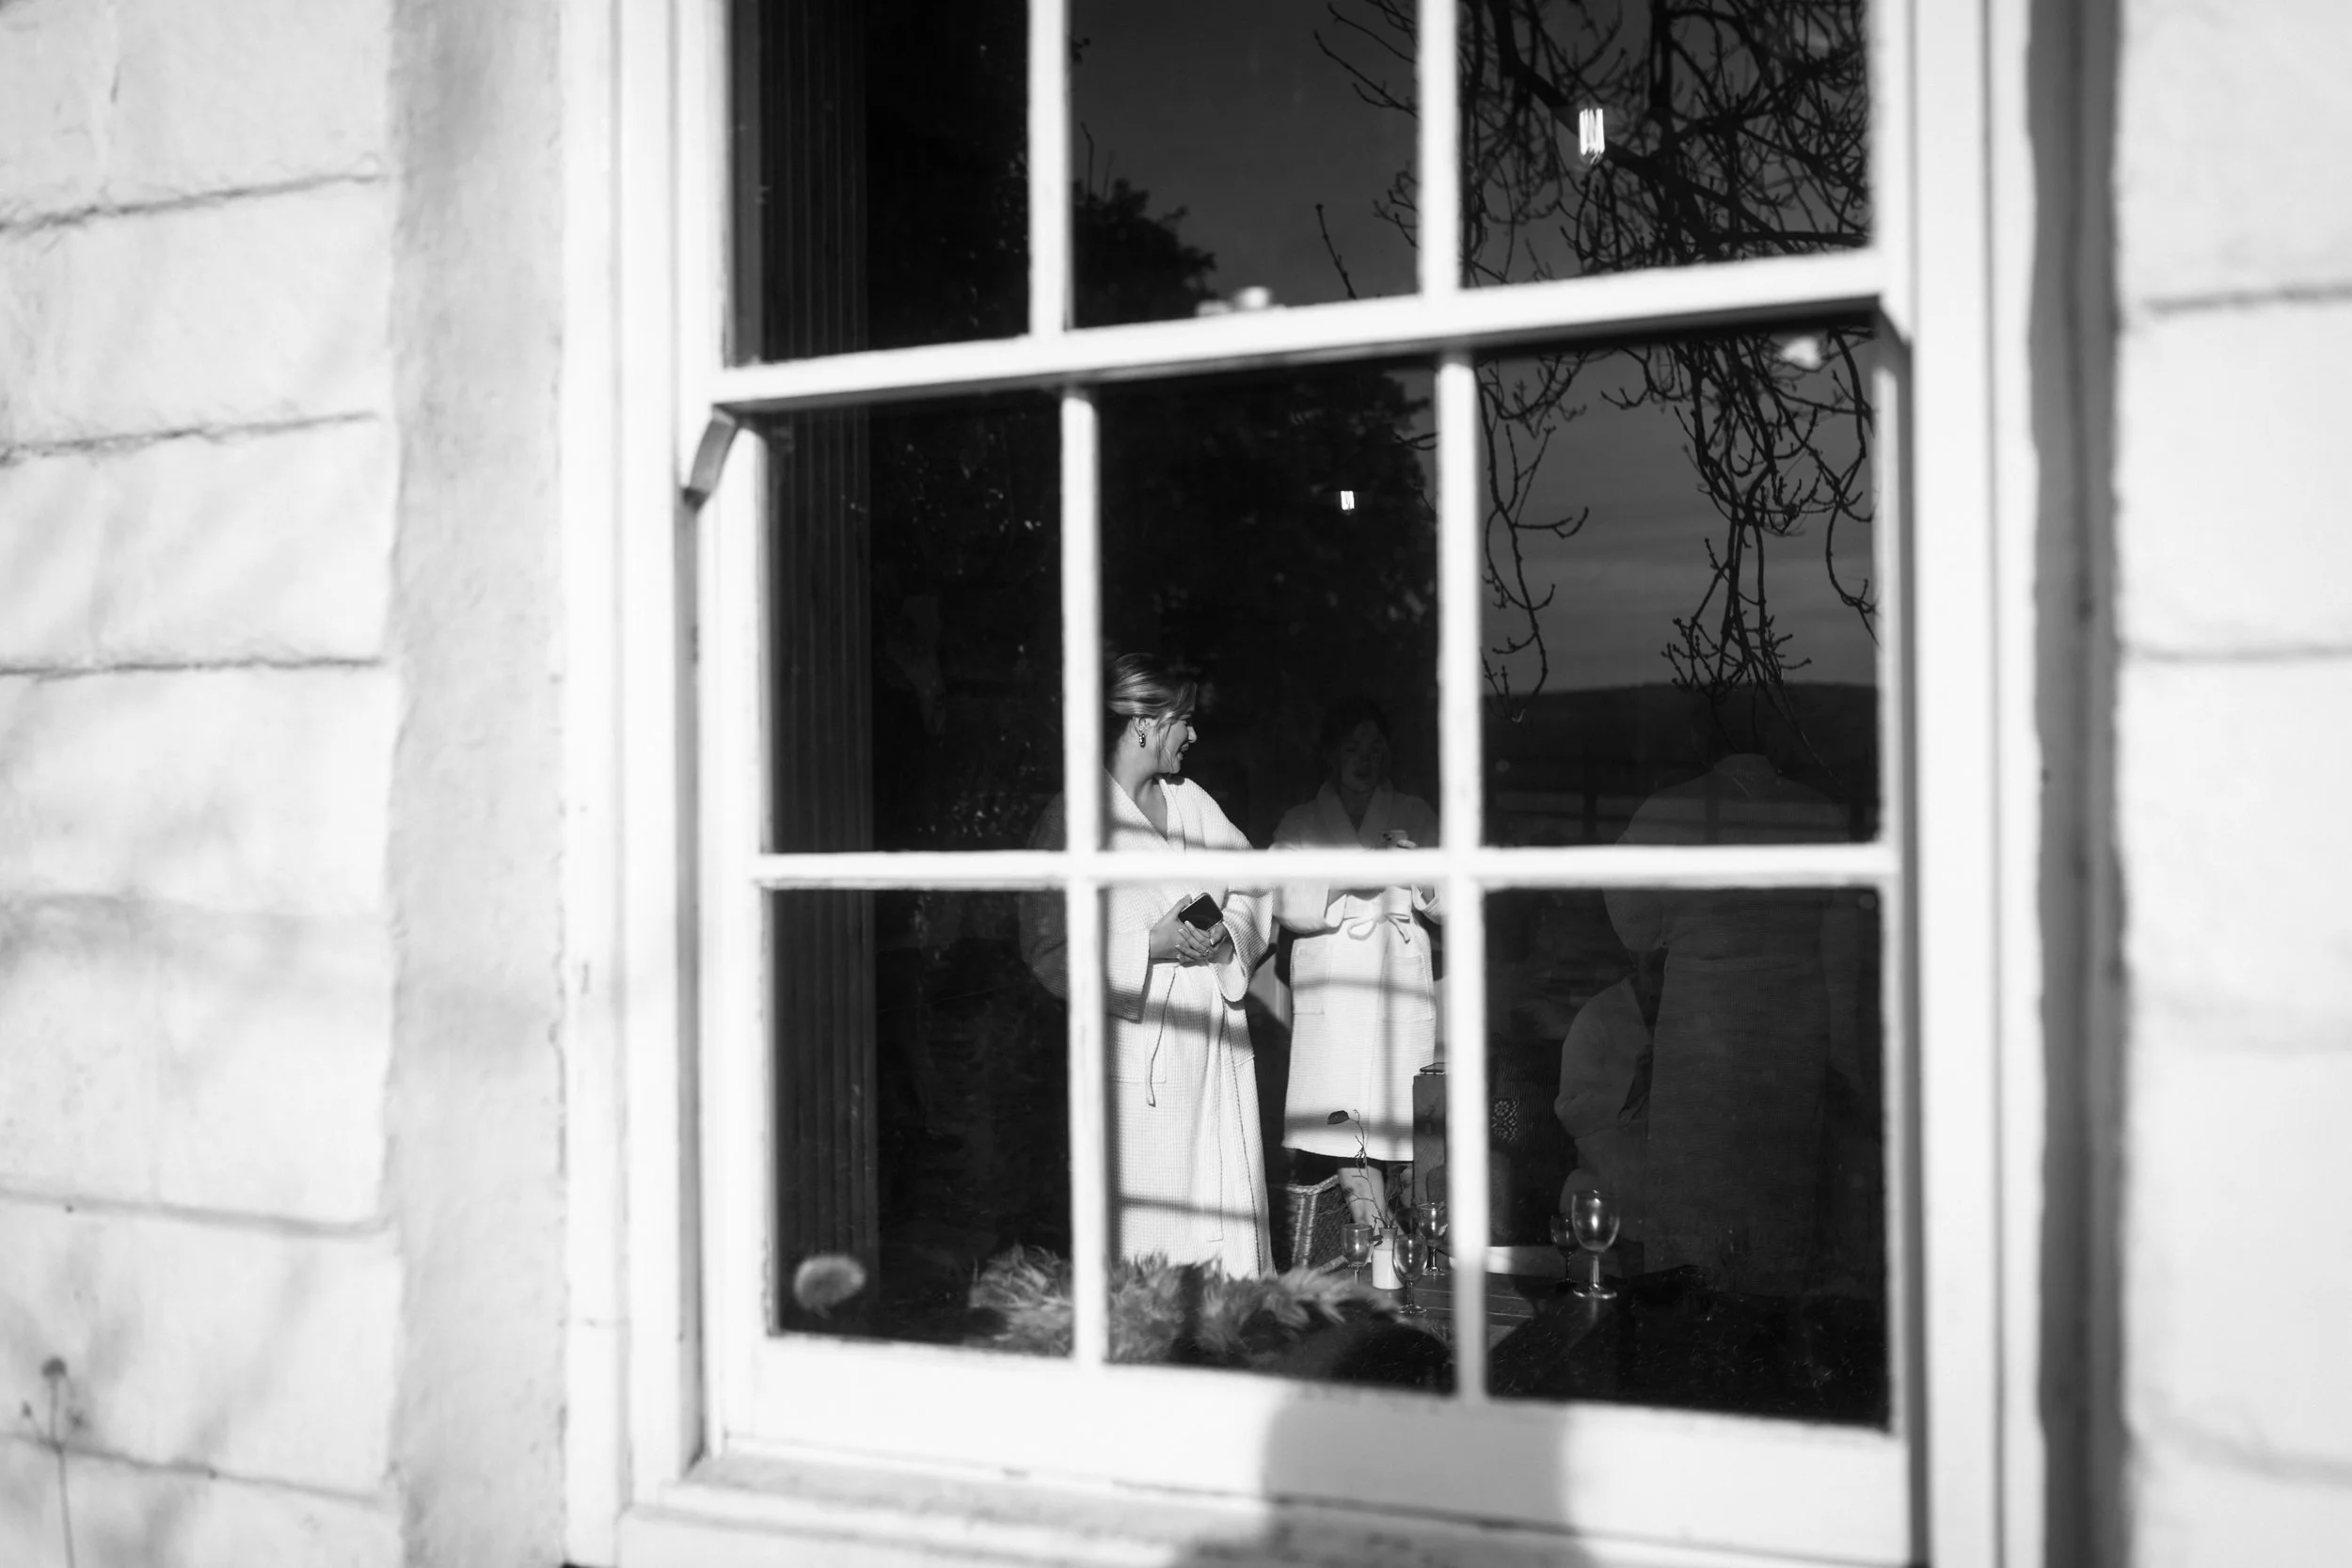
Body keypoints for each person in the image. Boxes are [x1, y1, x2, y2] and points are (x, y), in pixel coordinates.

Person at [1020, 654, 1273, 1275]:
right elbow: (1047, 947)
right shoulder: (1073, 821)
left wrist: (1225, 938)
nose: (1193, 734)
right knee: (1149, 1250)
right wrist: (1147, 946)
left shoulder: (1194, 805)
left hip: (1214, 1057)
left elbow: (1257, 882)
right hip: (1142, 1071)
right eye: (1182, 719)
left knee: (1229, 1248)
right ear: (1142, 722)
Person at [1602, 742, 1861, 1296]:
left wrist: (1678, 927)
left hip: (1705, 1013)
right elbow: (1844, 943)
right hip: (1791, 1018)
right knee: (1770, 1186)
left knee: (1704, 1181)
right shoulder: (1816, 811)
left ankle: (1696, 1313)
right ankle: (1762, 1315)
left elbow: (1632, 921)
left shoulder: (1671, 809)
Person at [1270, 698, 1442, 1230]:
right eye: (1352, 748)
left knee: (1404, 1127)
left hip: (1396, 976)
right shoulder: (1301, 823)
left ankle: (1412, 1247)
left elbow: (1453, 897)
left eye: (1374, 748)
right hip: (1336, 985)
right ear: (1331, 754)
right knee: (1344, 1124)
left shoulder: (1414, 814)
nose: (1364, 760)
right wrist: (1360, 872)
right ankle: (1375, 1239)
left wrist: (1421, 872)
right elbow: (1282, 899)